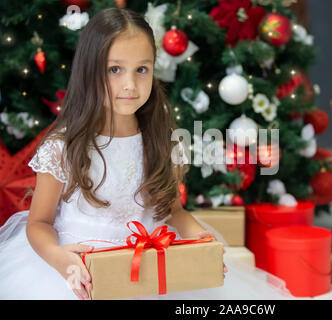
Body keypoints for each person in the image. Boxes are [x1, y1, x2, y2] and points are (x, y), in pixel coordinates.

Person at [0, 8, 293, 300]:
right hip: (80, 273)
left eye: (141, 69)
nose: (130, 85)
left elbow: (172, 211)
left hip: (151, 268)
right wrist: (59, 259)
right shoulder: (62, 147)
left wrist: (202, 242)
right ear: (89, 71)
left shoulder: (164, 142)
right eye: (114, 70)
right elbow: (39, 223)